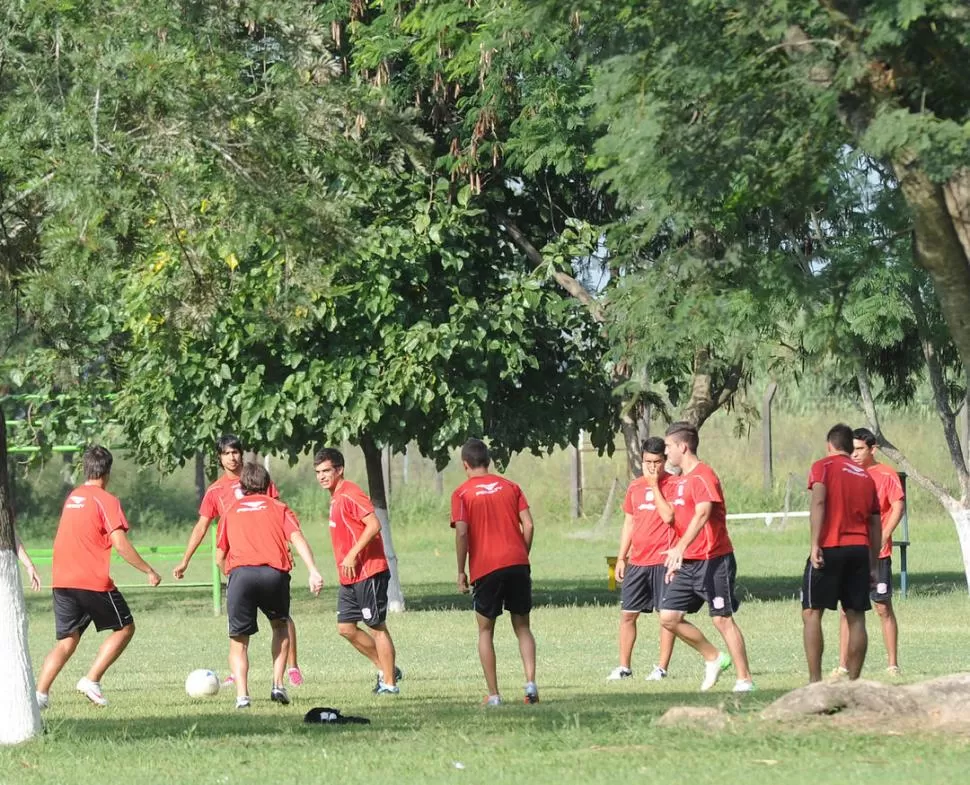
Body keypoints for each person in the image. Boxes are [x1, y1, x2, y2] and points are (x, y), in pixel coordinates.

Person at [34, 446, 162, 709]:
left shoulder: (73, 497)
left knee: (67, 641)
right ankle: (91, 680)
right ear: (107, 472)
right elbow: (120, 543)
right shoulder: (106, 499)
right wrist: (148, 570)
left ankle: (40, 696)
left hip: (61, 580)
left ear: (86, 469)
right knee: (125, 627)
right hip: (90, 580)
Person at [174, 434, 304, 687]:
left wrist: (286, 548)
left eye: (235, 452)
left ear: (241, 454)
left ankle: (292, 667)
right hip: (237, 560)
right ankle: (238, 673)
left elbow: (278, 514)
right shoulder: (215, 491)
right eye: (226, 454)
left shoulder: (258, 479)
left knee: (281, 617)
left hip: (267, 556)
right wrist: (185, 560)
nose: (232, 458)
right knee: (239, 621)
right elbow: (201, 526)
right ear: (219, 458)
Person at [216, 462, 323, 709]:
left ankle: (242, 695)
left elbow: (220, 556)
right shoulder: (280, 508)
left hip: (241, 575)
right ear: (267, 486)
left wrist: (232, 577)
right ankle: (277, 684)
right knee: (280, 626)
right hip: (274, 574)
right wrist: (313, 571)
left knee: (239, 640)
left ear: (241, 487)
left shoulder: (231, 511)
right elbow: (298, 539)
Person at [659, 422, 754, 692]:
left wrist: (680, 548)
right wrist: (677, 554)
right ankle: (714, 657)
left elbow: (702, 514)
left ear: (682, 447)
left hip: (715, 560)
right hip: (689, 562)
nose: (666, 453)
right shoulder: (681, 481)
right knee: (668, 617)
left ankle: (745, 679)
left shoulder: (703, 476)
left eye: (668, 447)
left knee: (721, 619)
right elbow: (681, 521)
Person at [451, 438, 538, 706]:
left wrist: (461, 571)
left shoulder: (462, 494)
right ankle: (531, 685)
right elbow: (529, 525)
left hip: (486, 567)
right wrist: (521, 554)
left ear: (465, 464)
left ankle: (494, 695)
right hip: (517, 563)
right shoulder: (511, 487)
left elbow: (463, 532)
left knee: (485, 631)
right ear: (488, 461)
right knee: (522, 626)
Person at [314, 448, 400, 694]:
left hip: (368, 571)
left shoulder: (350, 492)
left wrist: (352, 554)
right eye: (318, 472)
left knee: (376, 626)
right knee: (346, 628)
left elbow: (374, 525)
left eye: (326, 471)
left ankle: (390, 685)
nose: (321, 476)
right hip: (350, 576)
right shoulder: (335, 497)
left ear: (339, 470)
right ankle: (387, 669)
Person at [802, 423, 881, 683]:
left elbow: (820, 501)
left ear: (830, 446)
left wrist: (815, 544)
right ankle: (854, 683)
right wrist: (873, 563)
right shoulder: (865, 476)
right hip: (859, 550)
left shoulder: (823, 467)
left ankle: (815, 681)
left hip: (830, 547)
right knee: (856, 616)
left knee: (812, 613)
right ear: (850, 447)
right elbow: (874, 522)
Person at [833, 427, 905, 675]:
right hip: (851, 551)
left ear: (872, 449)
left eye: (860, 449)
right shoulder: (846, 473)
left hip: (877, 553)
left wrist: (884, 534)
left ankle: (892, 664)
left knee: (882, 606)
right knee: (846, 609)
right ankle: (843, 665)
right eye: (851, 449)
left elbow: (897, 506)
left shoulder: (886, 474)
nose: (854, 454)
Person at [608, 437, 677, 682]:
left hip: (664, 562)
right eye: (648, 462)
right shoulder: (635, 487)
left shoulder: (674, 485)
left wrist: (655, 485)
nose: (652, 467)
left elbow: (669, 517)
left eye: (657, 462)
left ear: (665, 461)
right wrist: (621, 558)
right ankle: (624, 667)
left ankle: (661, 668)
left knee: (666, 617)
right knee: (627, 614)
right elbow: (629, 522)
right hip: (637, 562)